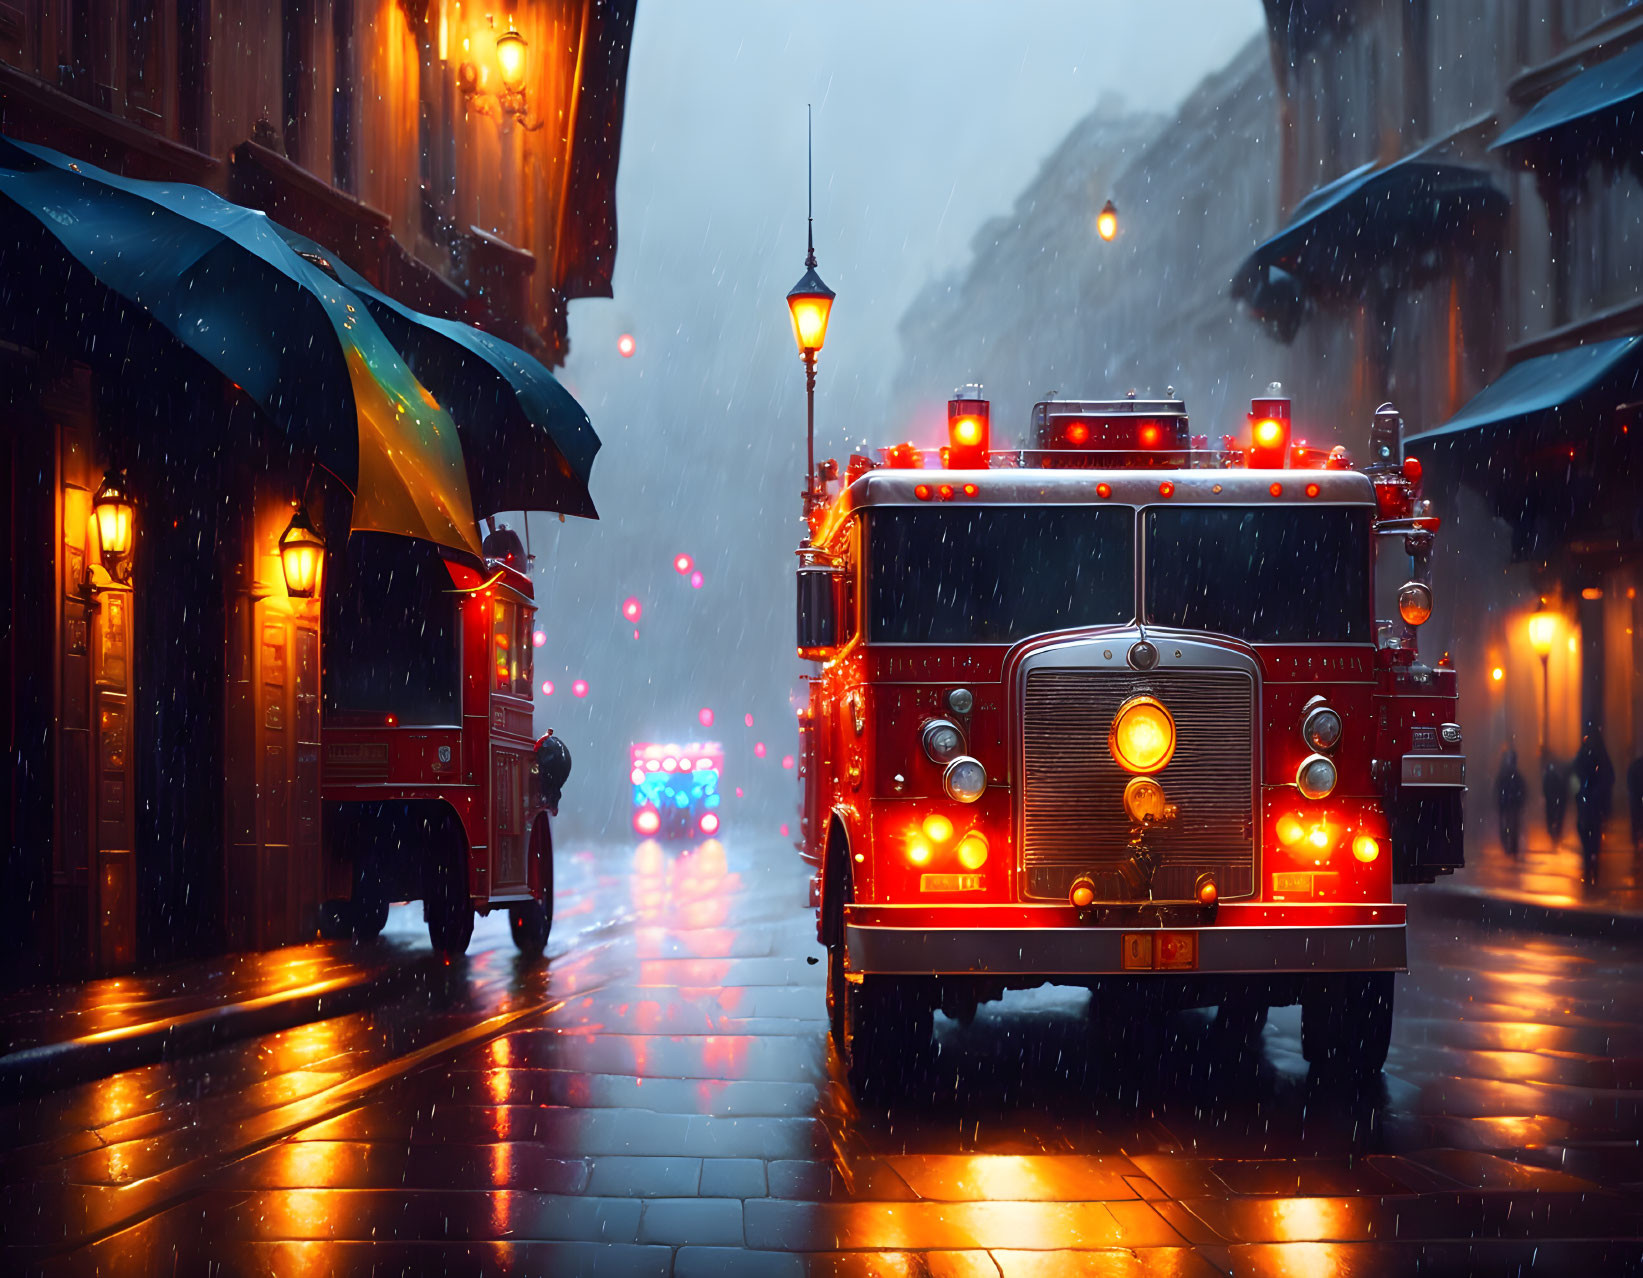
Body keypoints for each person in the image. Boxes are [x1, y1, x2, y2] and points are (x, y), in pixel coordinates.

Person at [1573, 726, 1615, 876]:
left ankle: (1591, 857)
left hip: (1594, 801)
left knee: (1592, 830)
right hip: (1589, 800)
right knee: (1587, 829)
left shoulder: (1596, 754)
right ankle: (1590, 856)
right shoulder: (1585, 754)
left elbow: (1609, 777)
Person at [1496, 746, 1527, 859]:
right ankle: (1509, 846)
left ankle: (1513, 848)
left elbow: (1522, 790)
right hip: (1507, 804)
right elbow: (1498, 789)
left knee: (1513, 826)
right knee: (1507, 825)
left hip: (1512, 804)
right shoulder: (1505, 775)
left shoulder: (1513, 776)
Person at [1543, 758, 1567, 846]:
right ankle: (1556, 834)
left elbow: (1545, 788)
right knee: (1557, 818)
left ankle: (1554, 834)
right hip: (1557, 799)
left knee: (1551, 817)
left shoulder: (1547, 775)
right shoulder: (1559, 775)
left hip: (1552, 799)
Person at [1628, 755, 1643, 853]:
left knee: (1636, 817)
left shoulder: (1635, 766)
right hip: (1637, 795)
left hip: (1636, 796)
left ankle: (1636, 839)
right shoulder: (1636, 766)